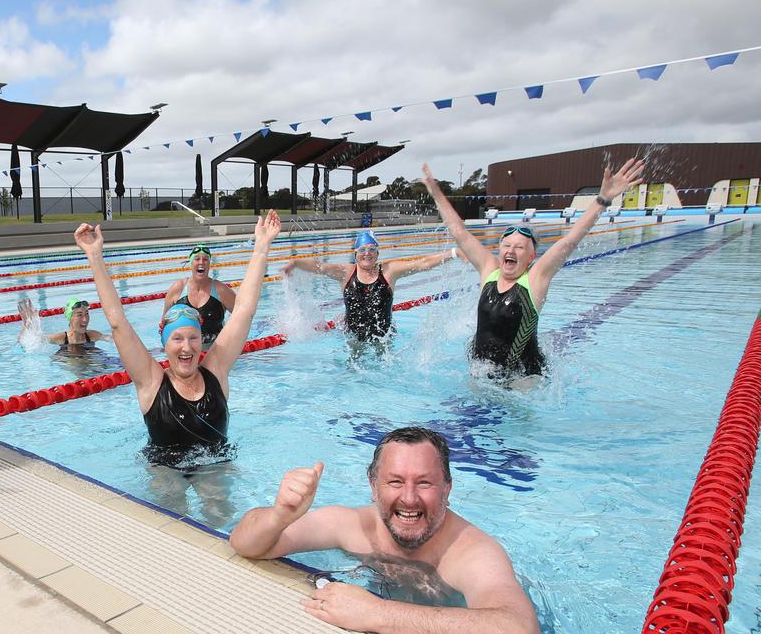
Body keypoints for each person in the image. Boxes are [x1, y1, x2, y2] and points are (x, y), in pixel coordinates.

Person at [229, 427, 540, 634]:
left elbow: (519, 626)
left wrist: (379, 614)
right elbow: (246, 544)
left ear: (447, 489)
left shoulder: (471, 552)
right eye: (395, 481)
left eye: (424, 483)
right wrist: (280, 515)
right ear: (373, 486)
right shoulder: (351, 526)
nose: (408, 498)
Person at [74, 210, 281, 468]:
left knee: (219, 507)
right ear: (165, 343)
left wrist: (261, 247)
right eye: (177, 339)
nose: (187, 347)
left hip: (216, 465)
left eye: (193, 337)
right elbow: (118, 323)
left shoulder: (216, 370)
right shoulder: (151, 382)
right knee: (168, 502)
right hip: (165, 469)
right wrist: (94, 256)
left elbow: (243, 311)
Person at [421, 158, 644, 378]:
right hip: (480, 371)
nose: (511, 250)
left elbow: (569, 241)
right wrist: (435, 191)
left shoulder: (535, 278)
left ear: (531, 256)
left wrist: (602, 199)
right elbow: (460, 232)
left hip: (523, 378)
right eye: (506, 245)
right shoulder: (490, 270)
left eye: (519, 247)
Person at [281, 230, 462, 342]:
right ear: (355, 253)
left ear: (377, 253)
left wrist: (453, 253)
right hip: (352, 337)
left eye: (371, 249)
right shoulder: (346, 272)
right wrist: (296, 263)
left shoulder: (389, 271)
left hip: (383, 338)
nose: (367, 254)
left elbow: (423, 263)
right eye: (362, 250)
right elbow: (320, 267)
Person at [157, 244, 237, 346]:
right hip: (185, 350)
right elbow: (164, 324)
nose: (201, 262)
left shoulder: (221, 290)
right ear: (191, 262)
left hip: (214, 350)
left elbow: (243, 317)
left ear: (209, 264)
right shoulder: (178, 288)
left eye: (205, 259)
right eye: (197, 259)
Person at [17, 297, 112, 348]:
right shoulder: (62, 338)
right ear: (70, 318)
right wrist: (26, 325)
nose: (85, 319)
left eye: (86, 314)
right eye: (79, 315)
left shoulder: (92, 335)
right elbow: (29, 342)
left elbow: (113, 339)